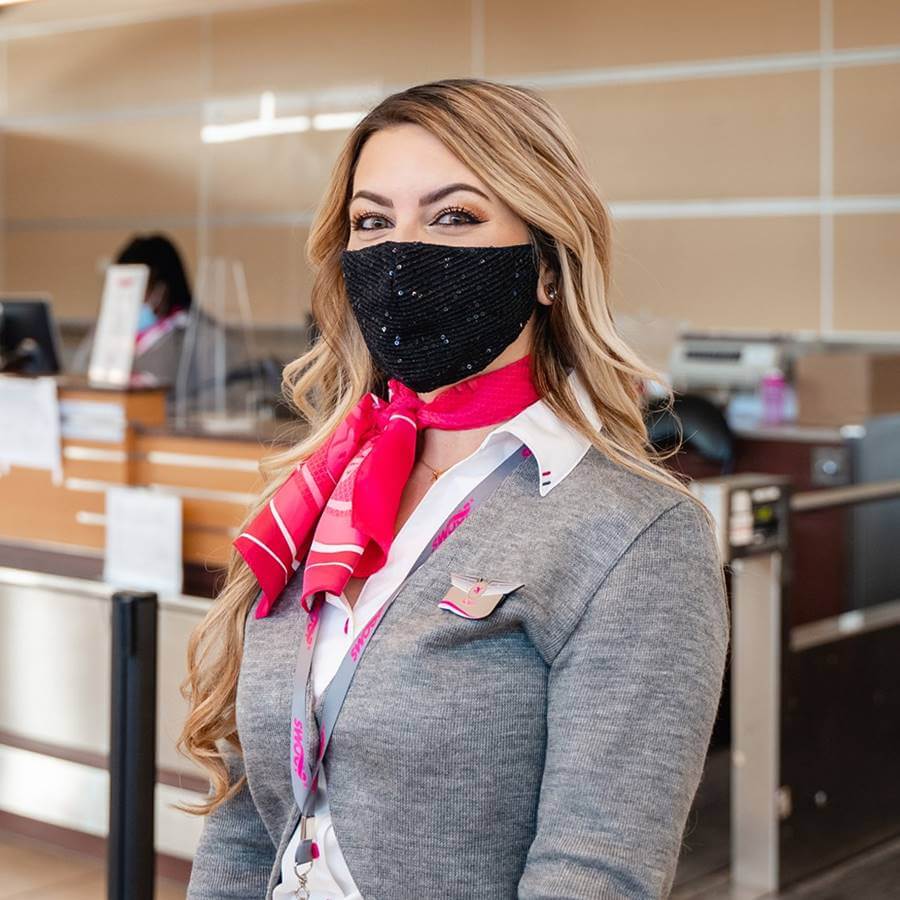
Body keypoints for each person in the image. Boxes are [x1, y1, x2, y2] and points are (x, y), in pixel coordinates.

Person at [181, 78, 729, 900]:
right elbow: (246, 823)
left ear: (547, 266)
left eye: (453, 216)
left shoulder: (633, 536)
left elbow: (595, 875)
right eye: (373, 222)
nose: (402, 255)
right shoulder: (319, 496)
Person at [73, 232, 192, 382]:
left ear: (161, 289)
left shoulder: (196, 335)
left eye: (137, 286)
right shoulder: (106, 328)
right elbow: (80, 372)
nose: (128, 297)